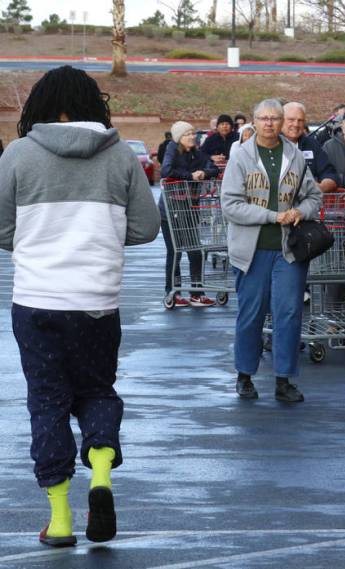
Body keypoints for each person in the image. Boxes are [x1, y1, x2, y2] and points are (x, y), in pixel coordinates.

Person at [0, 65, 160, 547]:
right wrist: (103, 238)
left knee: (47, 401)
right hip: (97, 302)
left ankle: (61, 519)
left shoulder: (18, 154)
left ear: (43, 106)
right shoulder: (120, 157)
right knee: (97, 392)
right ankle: (103, 471)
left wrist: (35, 243)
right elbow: (147, 228)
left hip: (37, 300)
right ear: (94, 104)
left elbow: (2, 229)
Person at [220, 99, 323, 403]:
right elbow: (231, 205)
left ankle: (283, 379)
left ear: (283, 122)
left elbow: (313, 196)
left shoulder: (294, 155)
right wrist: (271, 215)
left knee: (289, 313)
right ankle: (245, 375)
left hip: (288, 249)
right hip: (251, 250)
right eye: (263, 118)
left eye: (275, 118)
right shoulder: (241, 156)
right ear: (253, 122)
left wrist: (299, 213)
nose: (269, 124)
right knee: (251, 313)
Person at [160, 120, 220, 308]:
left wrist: (203, 173)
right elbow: (166, 170)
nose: (193, 136)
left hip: (189, 208)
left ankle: (196, 292)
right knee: (175, 252)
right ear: (179, 138)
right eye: (188, 134)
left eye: (194, 133)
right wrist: (190, 175)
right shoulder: (172, 149)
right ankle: (173, 291)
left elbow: (214, 168)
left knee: (195, 251)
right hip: (171, 209)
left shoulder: (197, 154)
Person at [281, 101, 341, 193]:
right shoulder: (269, 143)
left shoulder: (312, 145)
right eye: (291, 120)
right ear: (281, 120)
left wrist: (322, 187)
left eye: (300, 120)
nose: (296, 124)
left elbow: (329, 174)